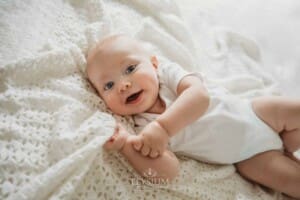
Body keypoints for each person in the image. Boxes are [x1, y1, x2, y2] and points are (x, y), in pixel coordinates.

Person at [86, 34, 300, 198]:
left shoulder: (168, 76)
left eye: (130, 68)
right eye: (109, 85)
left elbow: (199, 96)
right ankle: (286, 155)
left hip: (258, 113)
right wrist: (126, 145)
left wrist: (163, 128)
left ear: (153, 64)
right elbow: (167, 172)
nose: (124, 85)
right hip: (248, 156)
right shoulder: (142, 128)